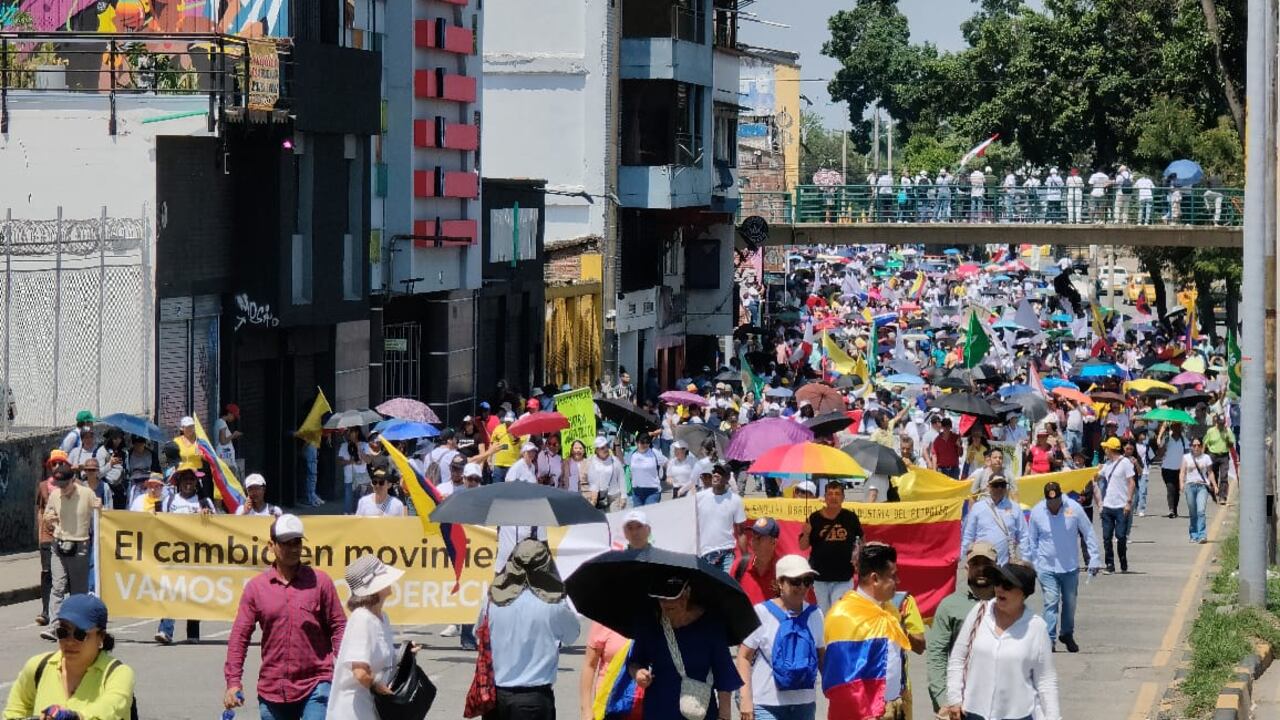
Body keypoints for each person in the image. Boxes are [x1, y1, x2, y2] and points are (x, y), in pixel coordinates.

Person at [224, 514, 347, 720]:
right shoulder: (257, 588)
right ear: (271, 545)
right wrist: (233, 682)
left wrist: (347, 669)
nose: (293, 549)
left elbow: (339, 626)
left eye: (297, 542)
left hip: (316, 683)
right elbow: (240, 636)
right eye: (286, 543)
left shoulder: (320, 582)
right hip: (272, 689)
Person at [944, 562, 1059, 720]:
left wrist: (1054, 717)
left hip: (1018, 715)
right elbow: (958, 658)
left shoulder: (1036, 627)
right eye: (997, 582)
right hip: (973, 713)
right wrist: (954, 699)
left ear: (1023, 593)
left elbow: (1046, 680)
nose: (999, 589)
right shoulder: (979, 612)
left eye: (1007, 585)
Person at [484, 538, 580, 720]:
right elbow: (572, 635)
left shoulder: (491, 599)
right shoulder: (554, 604)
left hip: (495, 696)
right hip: (533, 699)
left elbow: (478, 634)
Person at [3, 594, 135, 720]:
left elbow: (110, 709)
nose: (70, 641)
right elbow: (13, 713)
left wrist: (77, 717)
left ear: (101, 637)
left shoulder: (118, 674)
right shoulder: (37, 667)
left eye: (80, 634)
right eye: (63, 632)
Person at [628, 575, 742, 720]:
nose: (665, 603)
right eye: (661, 598)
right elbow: (635, 661)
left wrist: (724, 716)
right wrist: (638, 673)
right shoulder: (650, 624)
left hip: (700, 712)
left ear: (686, 594)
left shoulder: (711, 625)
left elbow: (724, 674)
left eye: (671, 597)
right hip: (659, 710)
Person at [822, 542, 911, 720]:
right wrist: (866, 714)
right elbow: (843, 681)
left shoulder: (889, 610)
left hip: (892, 709)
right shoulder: (844, 615)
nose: (898, 582)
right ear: (875, 578)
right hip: (863, 714)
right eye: (893, 576)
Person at [737, 555, 826, 720]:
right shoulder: (761, 612)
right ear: (779, 582)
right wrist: (745, 700)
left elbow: (822, 657)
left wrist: (836, 690)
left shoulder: (815, 614)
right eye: (795, 581)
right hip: (767, 704)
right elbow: (743, 656)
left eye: (807, 581)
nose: (802, 587)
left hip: (804, 705)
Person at [326, 555, 410, 720]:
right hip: (354, 711)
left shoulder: (382, 617)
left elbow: (383, 659)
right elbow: (360, 672)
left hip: (372, 707)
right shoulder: (362, 618)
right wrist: (381, 688)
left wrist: (406, 653)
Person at [1022, 482, 1101, 653]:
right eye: (1050, 502)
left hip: (1070, 565)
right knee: (1051, 602)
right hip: (1046, 566)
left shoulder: (1074, 508)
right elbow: (1031, 540)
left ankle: (1066, 633)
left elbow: (1087, 532)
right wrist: (1032, 562)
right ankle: (1049, 639)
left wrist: (1094, 558)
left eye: (1056, 500)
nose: (1053, 505)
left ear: (1060, 496)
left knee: (1070, 603)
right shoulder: (1037, 511)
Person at [925, 542, 997, 715]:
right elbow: (937, 654)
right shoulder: (950, 606)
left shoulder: (1007, 602)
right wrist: (943, 699)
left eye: (986, 564)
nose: (981, 569)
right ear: (967, 567)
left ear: (996, 567)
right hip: (962, 701)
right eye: (975, 564)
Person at [154, 468, 214, 645]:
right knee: (172, 590)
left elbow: (218, 527)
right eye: (185, 479)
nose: (188, 483)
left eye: (192, 480)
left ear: (196, 483)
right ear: (178, 482)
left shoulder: (204, 501)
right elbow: (158, 522)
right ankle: (165, 630)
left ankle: (193, 633)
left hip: (197, 555)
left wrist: (207, 517)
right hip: (173, 554)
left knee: (194, 592)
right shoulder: (169, 501)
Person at [41, 468, 95, 643]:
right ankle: (55, 626)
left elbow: (100, 514)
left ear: (73, 480)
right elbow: (48, 513)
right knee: (58, 587)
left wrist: (100, 507)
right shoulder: (55, 495)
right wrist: (49, 519)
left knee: (78, 592)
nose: (62, 488)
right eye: (59, 485)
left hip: (80, 546)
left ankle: (76, 625)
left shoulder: (86, 494)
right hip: (59, 544)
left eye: (65, 485)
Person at [798, 480, 863, 613]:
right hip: (820, 578)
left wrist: (859, 556)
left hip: (844, 577)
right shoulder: (814, 518)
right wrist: (806, 533)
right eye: (830, 494)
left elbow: (861, 539)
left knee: (837, 611)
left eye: (837, 494)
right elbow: (802, 546)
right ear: (825, 497)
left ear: (843, 497)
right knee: (825, 614)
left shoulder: (850, 517)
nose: (833, 497)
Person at [960, 475, 1026, 565]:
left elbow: (1024, 535)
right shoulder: (978, 507)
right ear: (988, 487)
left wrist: (1026, 559)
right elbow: (968, 535)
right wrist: (962, 557)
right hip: (982, 564)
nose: (999, 488)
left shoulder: (1015, 507)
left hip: (1006, 565)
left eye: (1003, 485)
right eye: (996, 485)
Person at [696, 463, 746, 573]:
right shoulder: (699, 498)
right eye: (715, 472)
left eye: (721, 473)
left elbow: (741, 532)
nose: (716, 475)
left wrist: (745, 556)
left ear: (728, 478)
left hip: (726, 554)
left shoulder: (735, 500)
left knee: (726, 587)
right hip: (704, 553)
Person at [1095, 437, 1136, 573]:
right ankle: (1110, 565)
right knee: (1107, 537)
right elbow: (1095, 476)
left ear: (1111, 449)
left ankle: (1123, 561)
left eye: (1106, 448)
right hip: (1108, 506)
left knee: (1120, 536)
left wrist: (1128, 502)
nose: (1104, 451)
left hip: (1121, 506)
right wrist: (1095, 471)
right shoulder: (1107, 465)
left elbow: (1132, 483)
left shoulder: (1125, 463)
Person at [731, 517, 781, 606]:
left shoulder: (784, 572)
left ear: (773, 542)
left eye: (759, 538)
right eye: (753, 536)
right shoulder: (740, 566)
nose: (753, 541)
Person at [1180, 437, 1218, 544]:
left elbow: (1210, 473)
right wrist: (1182, 484)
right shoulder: (1186, 457)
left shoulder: (1206, 458)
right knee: (1193, 512)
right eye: (1194, 445)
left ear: (1202, 446)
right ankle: (1193, 534)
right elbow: (1182, 472)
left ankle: (1202, 535)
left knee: (1201, 511)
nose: (1196, 448)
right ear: (1191, 446)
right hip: (1190, 486)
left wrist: (1215, 485)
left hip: (1202, 486)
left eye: (1198, 445)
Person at [1158, 421, 1189, 518]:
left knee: (1177, 490)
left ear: (1181, 428)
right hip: (1167, 469)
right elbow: (1160, 454)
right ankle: (1171, 509)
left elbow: (1188, 455)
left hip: (1180, 470)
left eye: (1178, 427)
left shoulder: (1185, 440)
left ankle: (1174, 509)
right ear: (1171, 428)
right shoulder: (1167, 439)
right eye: (1174, 427)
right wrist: (1163, 444)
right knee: (1170, 488)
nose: (1176, 429)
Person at [1203, 414, 1235, 505]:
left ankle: (1222, 496)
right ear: (1216, 423)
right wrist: (1202, 456)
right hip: (1213, 454)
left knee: (1224, 476)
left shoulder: (1227, 431)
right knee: (1213, 474)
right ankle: (1213, 491)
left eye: (1223, 424)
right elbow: (1205, 443)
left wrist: (1228, 440)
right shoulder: (1211, 431)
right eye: (1219, 423)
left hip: (1224, 456)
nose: (1221, 425)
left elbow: (1231, 445)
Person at [627, 434, 667, 506]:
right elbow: (621, 460)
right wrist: (617, 444)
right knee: (638, 515)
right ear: (636, 443)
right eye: (642, 442)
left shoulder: (654, 453)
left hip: (653, 491)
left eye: (647, 442)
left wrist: (667, 475)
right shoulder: (632, 454)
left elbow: (666, 463)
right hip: (637, 492)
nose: (645, 444)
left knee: (650, 514)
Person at [585, 436, 624, 510]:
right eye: (602, 448)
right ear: (596, 450)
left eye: (607, 446)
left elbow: (621, 464)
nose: (606, 449)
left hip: (614, 496)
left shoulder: (613, 459)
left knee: (614, 519)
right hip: (598, 497)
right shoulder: (590, 461)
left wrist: (617, 444)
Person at [338, 427, 371, 514]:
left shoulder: (365, 445)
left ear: (356, 432)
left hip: (361, 479)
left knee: (361, 502)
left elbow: (368, 460)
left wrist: (358, 447)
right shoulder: (344, 445)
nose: (348, 434)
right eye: (347, 432)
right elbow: (340, 462)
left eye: (350, 431)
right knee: (348, 500)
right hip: (349, 478)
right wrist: (351, 461)